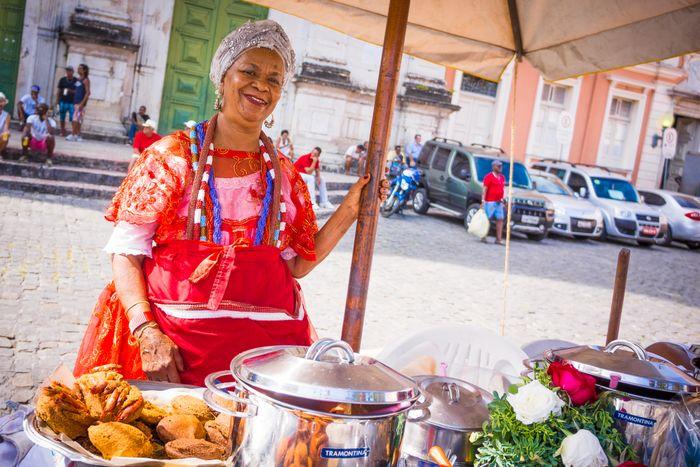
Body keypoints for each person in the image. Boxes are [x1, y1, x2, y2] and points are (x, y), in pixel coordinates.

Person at [73, 20, 389, 385]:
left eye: (274, 79)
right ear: (223, 78)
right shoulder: (172, 157)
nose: (261, 85)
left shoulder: (283, 175)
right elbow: (127, 252)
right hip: (174, 357)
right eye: (249, 71)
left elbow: (298, 265)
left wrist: (352, 208)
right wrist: (146, 331)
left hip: (263, 366)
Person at [482, 160, 506, 245]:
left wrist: (503, 199)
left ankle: (498, 239)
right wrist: (483, 201)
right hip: (490, 202)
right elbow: (485, 189)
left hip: (499, 202)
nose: (500, 167)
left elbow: (503, 189)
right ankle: (484, 236)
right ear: (493, 167)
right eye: (498, 166)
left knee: (500, 219)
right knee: (487, 219)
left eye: (501, 166)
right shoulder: (489, 176)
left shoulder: (502, 177)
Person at [68, 63, 90, 142]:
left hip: (80, 103)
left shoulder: (86, 80)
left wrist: (82, 103)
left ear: (84, 70)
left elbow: (88, 92)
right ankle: (76, 134)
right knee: (77, 119)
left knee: (76, 119)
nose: (78, 69)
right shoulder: (78, 79)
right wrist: (71, 91)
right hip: (76, 102)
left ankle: (73, 134)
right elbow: (78, 90)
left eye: (80, 68)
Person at [56, 66, 77, 136]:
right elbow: (58, 91)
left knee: (72, 117)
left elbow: (78, 91)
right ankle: (62, 131)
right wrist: (57, 101)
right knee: (62, 117)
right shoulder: (62, 80)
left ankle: (73, 132)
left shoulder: (76, 80)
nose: (68, 72)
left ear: (73, 72)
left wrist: (70, 91)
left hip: (72, 102)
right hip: (63, 101)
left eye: (70, 71)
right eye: (67, 71)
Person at [0, 93, 10, 157]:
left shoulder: (7, 115)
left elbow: (6, 128)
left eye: (1, 102)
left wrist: (6, 132)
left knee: (6, 135)